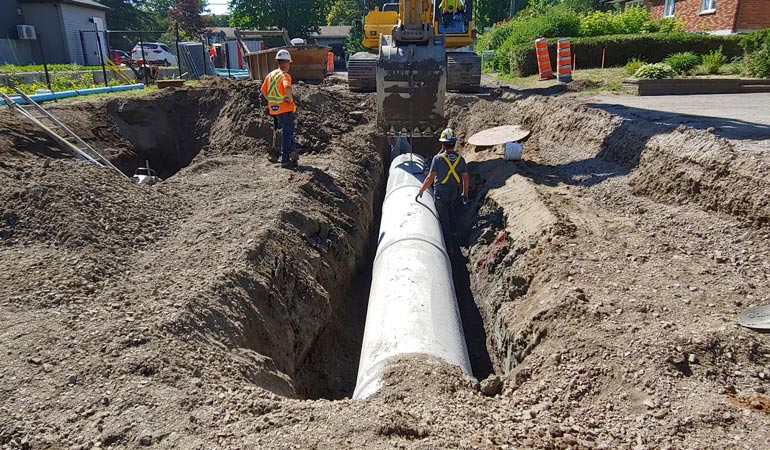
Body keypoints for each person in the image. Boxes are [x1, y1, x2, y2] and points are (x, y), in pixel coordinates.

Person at [415, 127, 469, 247]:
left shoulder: (438, 159)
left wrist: (421, 190)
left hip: (441, 193)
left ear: (443, 144)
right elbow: (465, 178)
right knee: (450, 210)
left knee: (443, 218)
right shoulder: (460, 159)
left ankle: (449, 246)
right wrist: (465, 194)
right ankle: (455, 234)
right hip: (453, 192)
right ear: (454, 143)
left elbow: (430, 178)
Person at [260, 49, 299, 168]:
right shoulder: (285, 75)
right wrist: (290, 99)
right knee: (288, 132)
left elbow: (263, 91)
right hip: (284, 108)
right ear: (286, 62)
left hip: (274, 109)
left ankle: (290, 152)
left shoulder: (270, 75)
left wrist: (272, 101)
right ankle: (285, 158)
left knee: (286, 130)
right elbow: (287, 88)